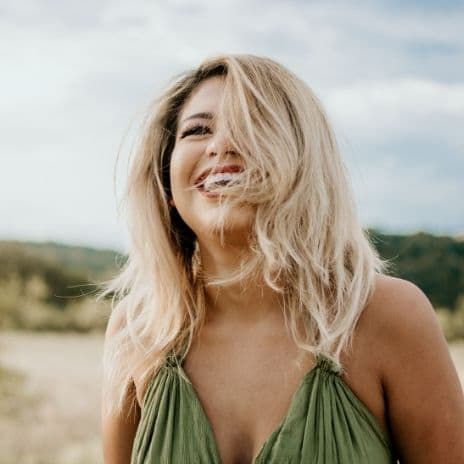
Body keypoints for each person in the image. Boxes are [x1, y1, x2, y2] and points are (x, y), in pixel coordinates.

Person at [100, 54, 464, 463]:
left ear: (305, 161)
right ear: (166, 181)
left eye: (253, 125)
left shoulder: (389, 317)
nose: (221, 144)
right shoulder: (136, 332)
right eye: (198, 130)